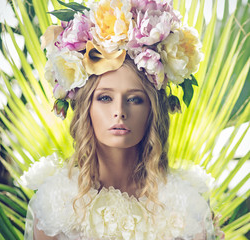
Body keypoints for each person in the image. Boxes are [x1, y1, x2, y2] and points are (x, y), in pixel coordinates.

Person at [21, 0, 218, 239]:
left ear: (152, 111)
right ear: (86, 108)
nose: (119, 112)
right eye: (104, 98)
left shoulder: (187, 207)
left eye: (135, 99)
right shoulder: (55, 205)